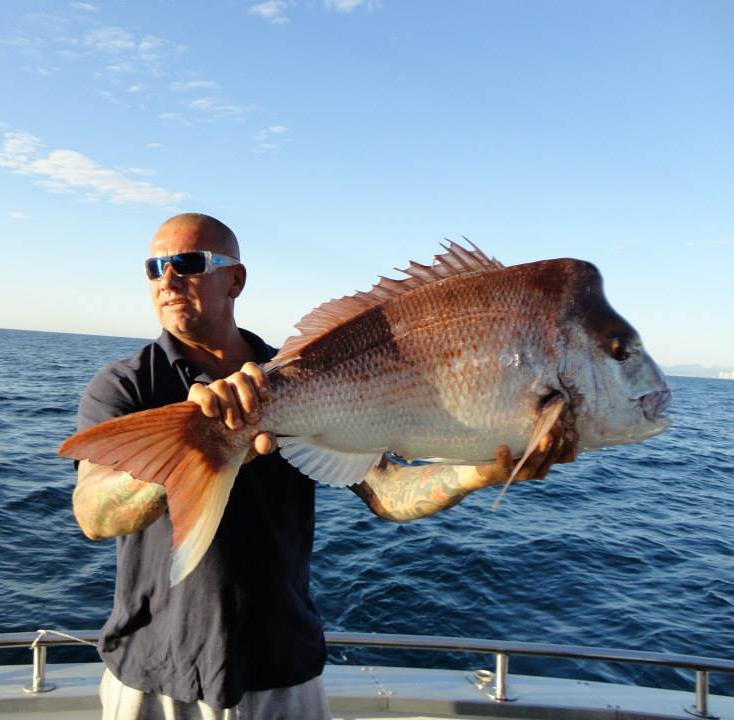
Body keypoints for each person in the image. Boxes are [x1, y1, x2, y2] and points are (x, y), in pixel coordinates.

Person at [72, 213, 574, 719]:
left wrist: (483, 472)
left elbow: (388, 490)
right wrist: (211, 444)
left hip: (281, 671)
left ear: (236, 280)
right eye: (154, 267)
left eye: (187, 263)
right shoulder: (124, 387)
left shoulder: (302, 372)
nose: (168, 279)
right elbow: (94, 515)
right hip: (153, 673)